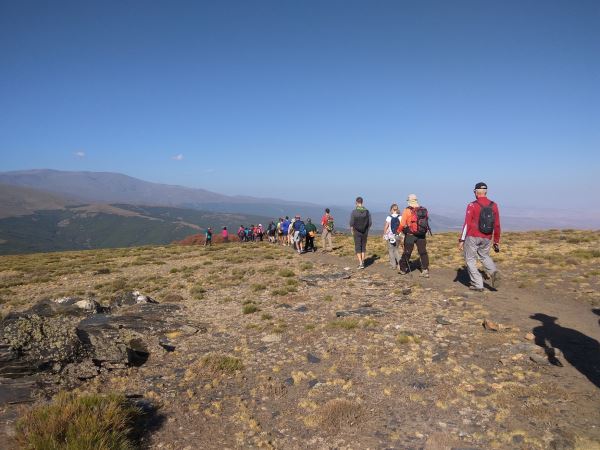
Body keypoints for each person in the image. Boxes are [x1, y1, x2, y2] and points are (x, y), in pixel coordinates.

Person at [458, 182, 501, 291]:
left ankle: (478, 284)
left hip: (473, 236)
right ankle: (493, 272)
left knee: (470, 260)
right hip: (487, 237)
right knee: (484, 256)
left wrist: (462, 240)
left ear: (476, 192)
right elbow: (497, 225)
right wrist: (496, 241)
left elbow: (467, 223)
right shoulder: (494, 205)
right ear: (485, 192)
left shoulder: (472, 205)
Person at [398, 194, 430, 277]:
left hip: (410, 234)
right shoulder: (423, 210)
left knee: (407, 252)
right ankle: (425, 269)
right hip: (421, 234)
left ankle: (403, 269)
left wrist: (397, 232)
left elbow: (402, 224)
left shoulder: (407, 210)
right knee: (423, 252)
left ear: (409, 201)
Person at [349, 197, 372, 269]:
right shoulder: (367, 212)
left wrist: (352, 230)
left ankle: (361, 263)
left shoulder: (354, 212)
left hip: (357, 232)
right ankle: (363, 261)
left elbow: (351, 223)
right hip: (365, 232)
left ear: (356, 202)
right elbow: (370, 223)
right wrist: (367, 229)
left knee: (358, 246)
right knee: (363, 246)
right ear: (362, 202)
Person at [383, 203, 403, 270]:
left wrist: (384, 234)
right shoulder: (400, 217)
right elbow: (402, 226)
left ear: (391, 209)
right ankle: (400, 264)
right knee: (396, 250)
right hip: (398, 235)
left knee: (391, 250)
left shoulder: (389, 217)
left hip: (390, 236)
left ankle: (393, 265)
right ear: (397, 209)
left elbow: (386, 226)